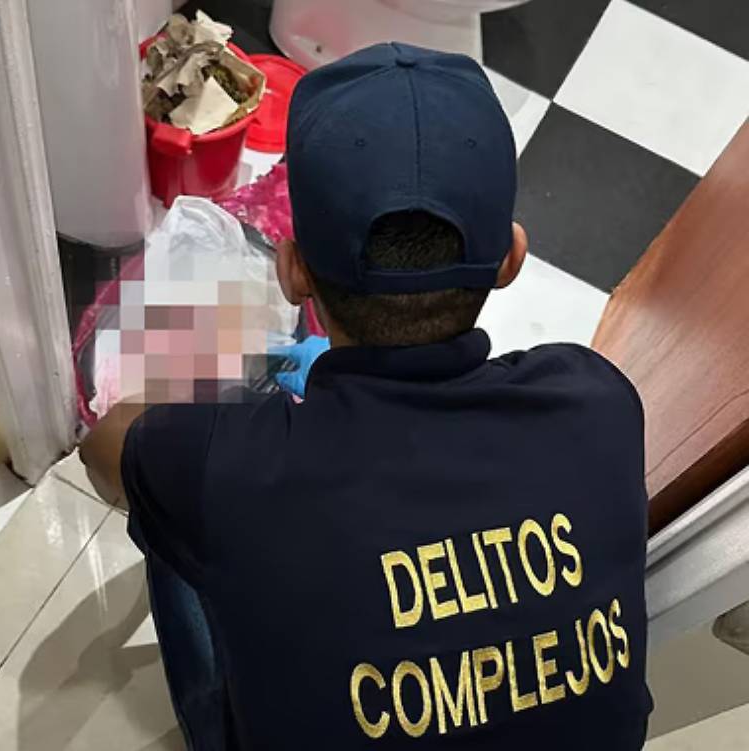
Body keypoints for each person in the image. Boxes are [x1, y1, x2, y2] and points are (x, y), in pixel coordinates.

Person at [81, 42, 653, 750]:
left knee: (170, 507)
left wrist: (218, 380)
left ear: (294, 272)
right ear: (511, 257)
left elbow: (101, 452)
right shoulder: (598, 402)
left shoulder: (231, 469)